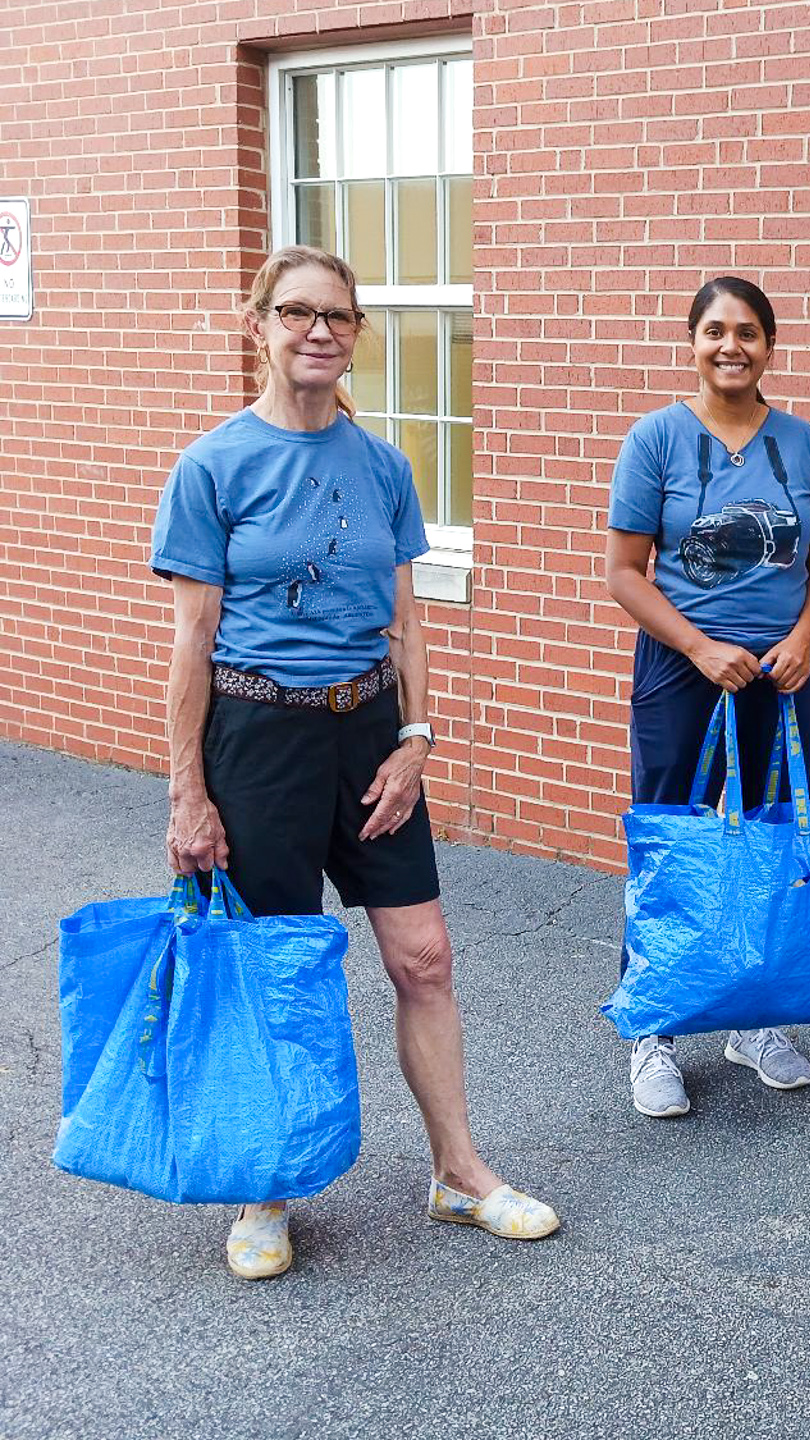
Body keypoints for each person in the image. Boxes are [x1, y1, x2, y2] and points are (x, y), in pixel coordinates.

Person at [154, 245, 558, 1281]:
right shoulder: (213, 466)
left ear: (356, 335)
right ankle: (266, 1192)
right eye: (297, 312)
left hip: (369, 736)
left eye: (337, 316)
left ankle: (458, 1173)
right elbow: (191, 644)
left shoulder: (383, 467)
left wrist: (418, 740)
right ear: (259, 325)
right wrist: (190, 793)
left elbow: (407, 625)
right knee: (278, 975)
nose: (319, 331)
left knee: (423, 959)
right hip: (258, 740)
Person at [604, 276, 810, 1118]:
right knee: (673, 845)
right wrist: (703, 648)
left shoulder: (803, 445)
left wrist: (804, 641)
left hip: (781, 680)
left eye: (747, 332)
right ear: (693, 342)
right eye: (715, 331)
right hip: (683, 672)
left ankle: (756, 1020)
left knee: (774, 848)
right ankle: (656, 1029)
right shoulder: (657, 441)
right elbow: (623, 575)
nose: (730, 346)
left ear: (770, 346)